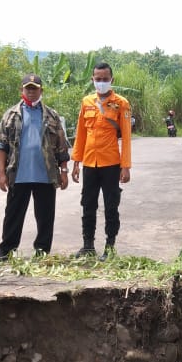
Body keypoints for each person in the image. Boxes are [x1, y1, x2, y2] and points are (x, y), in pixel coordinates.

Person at [0, 74, 70, 259]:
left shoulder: (52, 115)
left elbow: (61, 146)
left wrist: (64, 171)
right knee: (13, 215)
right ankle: (6, 250)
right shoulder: (10, 115)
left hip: (45, 174)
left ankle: (42, 251)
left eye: (34, 88)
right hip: (18, 174)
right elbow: (2, 147)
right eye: (28, 88)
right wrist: (1, 174)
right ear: (22, 90)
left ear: (41, 91)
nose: (31, 91)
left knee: (45, 216)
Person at [70, 61, 132, 260]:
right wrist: (76, 162)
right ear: (92, 80)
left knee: (111, 205)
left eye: (105, 79)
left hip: (111, 163)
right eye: (98, 79)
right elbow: (80, 133)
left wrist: (126, 166)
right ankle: (88, 245)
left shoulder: (121, 103)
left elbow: (127, 137)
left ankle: (110, 246)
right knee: (88, 204)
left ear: (111, 80)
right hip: (89, 162)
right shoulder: (86, 101)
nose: (101, 83)